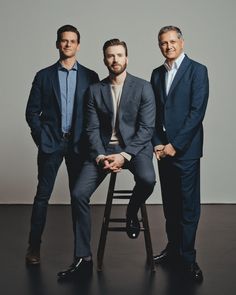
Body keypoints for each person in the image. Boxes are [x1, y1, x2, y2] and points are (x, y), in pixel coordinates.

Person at [57, 38, 156, 280]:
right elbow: (91, 128)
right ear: (104, 60)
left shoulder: (143, 87)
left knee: (147, 179)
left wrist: (124, 155)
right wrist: (101, 156)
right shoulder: (95, 90)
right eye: (110, 56)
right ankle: (83, 257)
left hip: (135, 149)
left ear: (127, 58)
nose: (115, 60)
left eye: (119, 55)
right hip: (103, 150)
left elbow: (146, 128)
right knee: (79, 194)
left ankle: (132, 212)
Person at [25, 24, 99, 265]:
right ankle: (33, 248)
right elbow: (31, 112)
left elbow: (96, 114)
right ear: (57, 44)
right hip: (51, 145)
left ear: (78, 45)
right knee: (42, 197)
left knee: (78, 197)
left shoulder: (91, 77)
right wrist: (41, 137)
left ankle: (81, 254)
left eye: (72, 41)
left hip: (78, 146)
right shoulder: (43, 76)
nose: (68, 44)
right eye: (63, 40)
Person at [151, 26, 209, 282]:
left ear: (182, 43)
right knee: (170, 205)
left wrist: (175, 145)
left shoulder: (198, 71)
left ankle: (188, 258)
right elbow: (151, 113)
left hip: (185, 152)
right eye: (164, 42)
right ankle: (173, 249)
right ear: (159, 45)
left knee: (188, 207)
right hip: (164, 151)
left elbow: (197, 112)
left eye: (173, 41)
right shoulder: (156, 74)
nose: (169, 46)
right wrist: (157, 144)